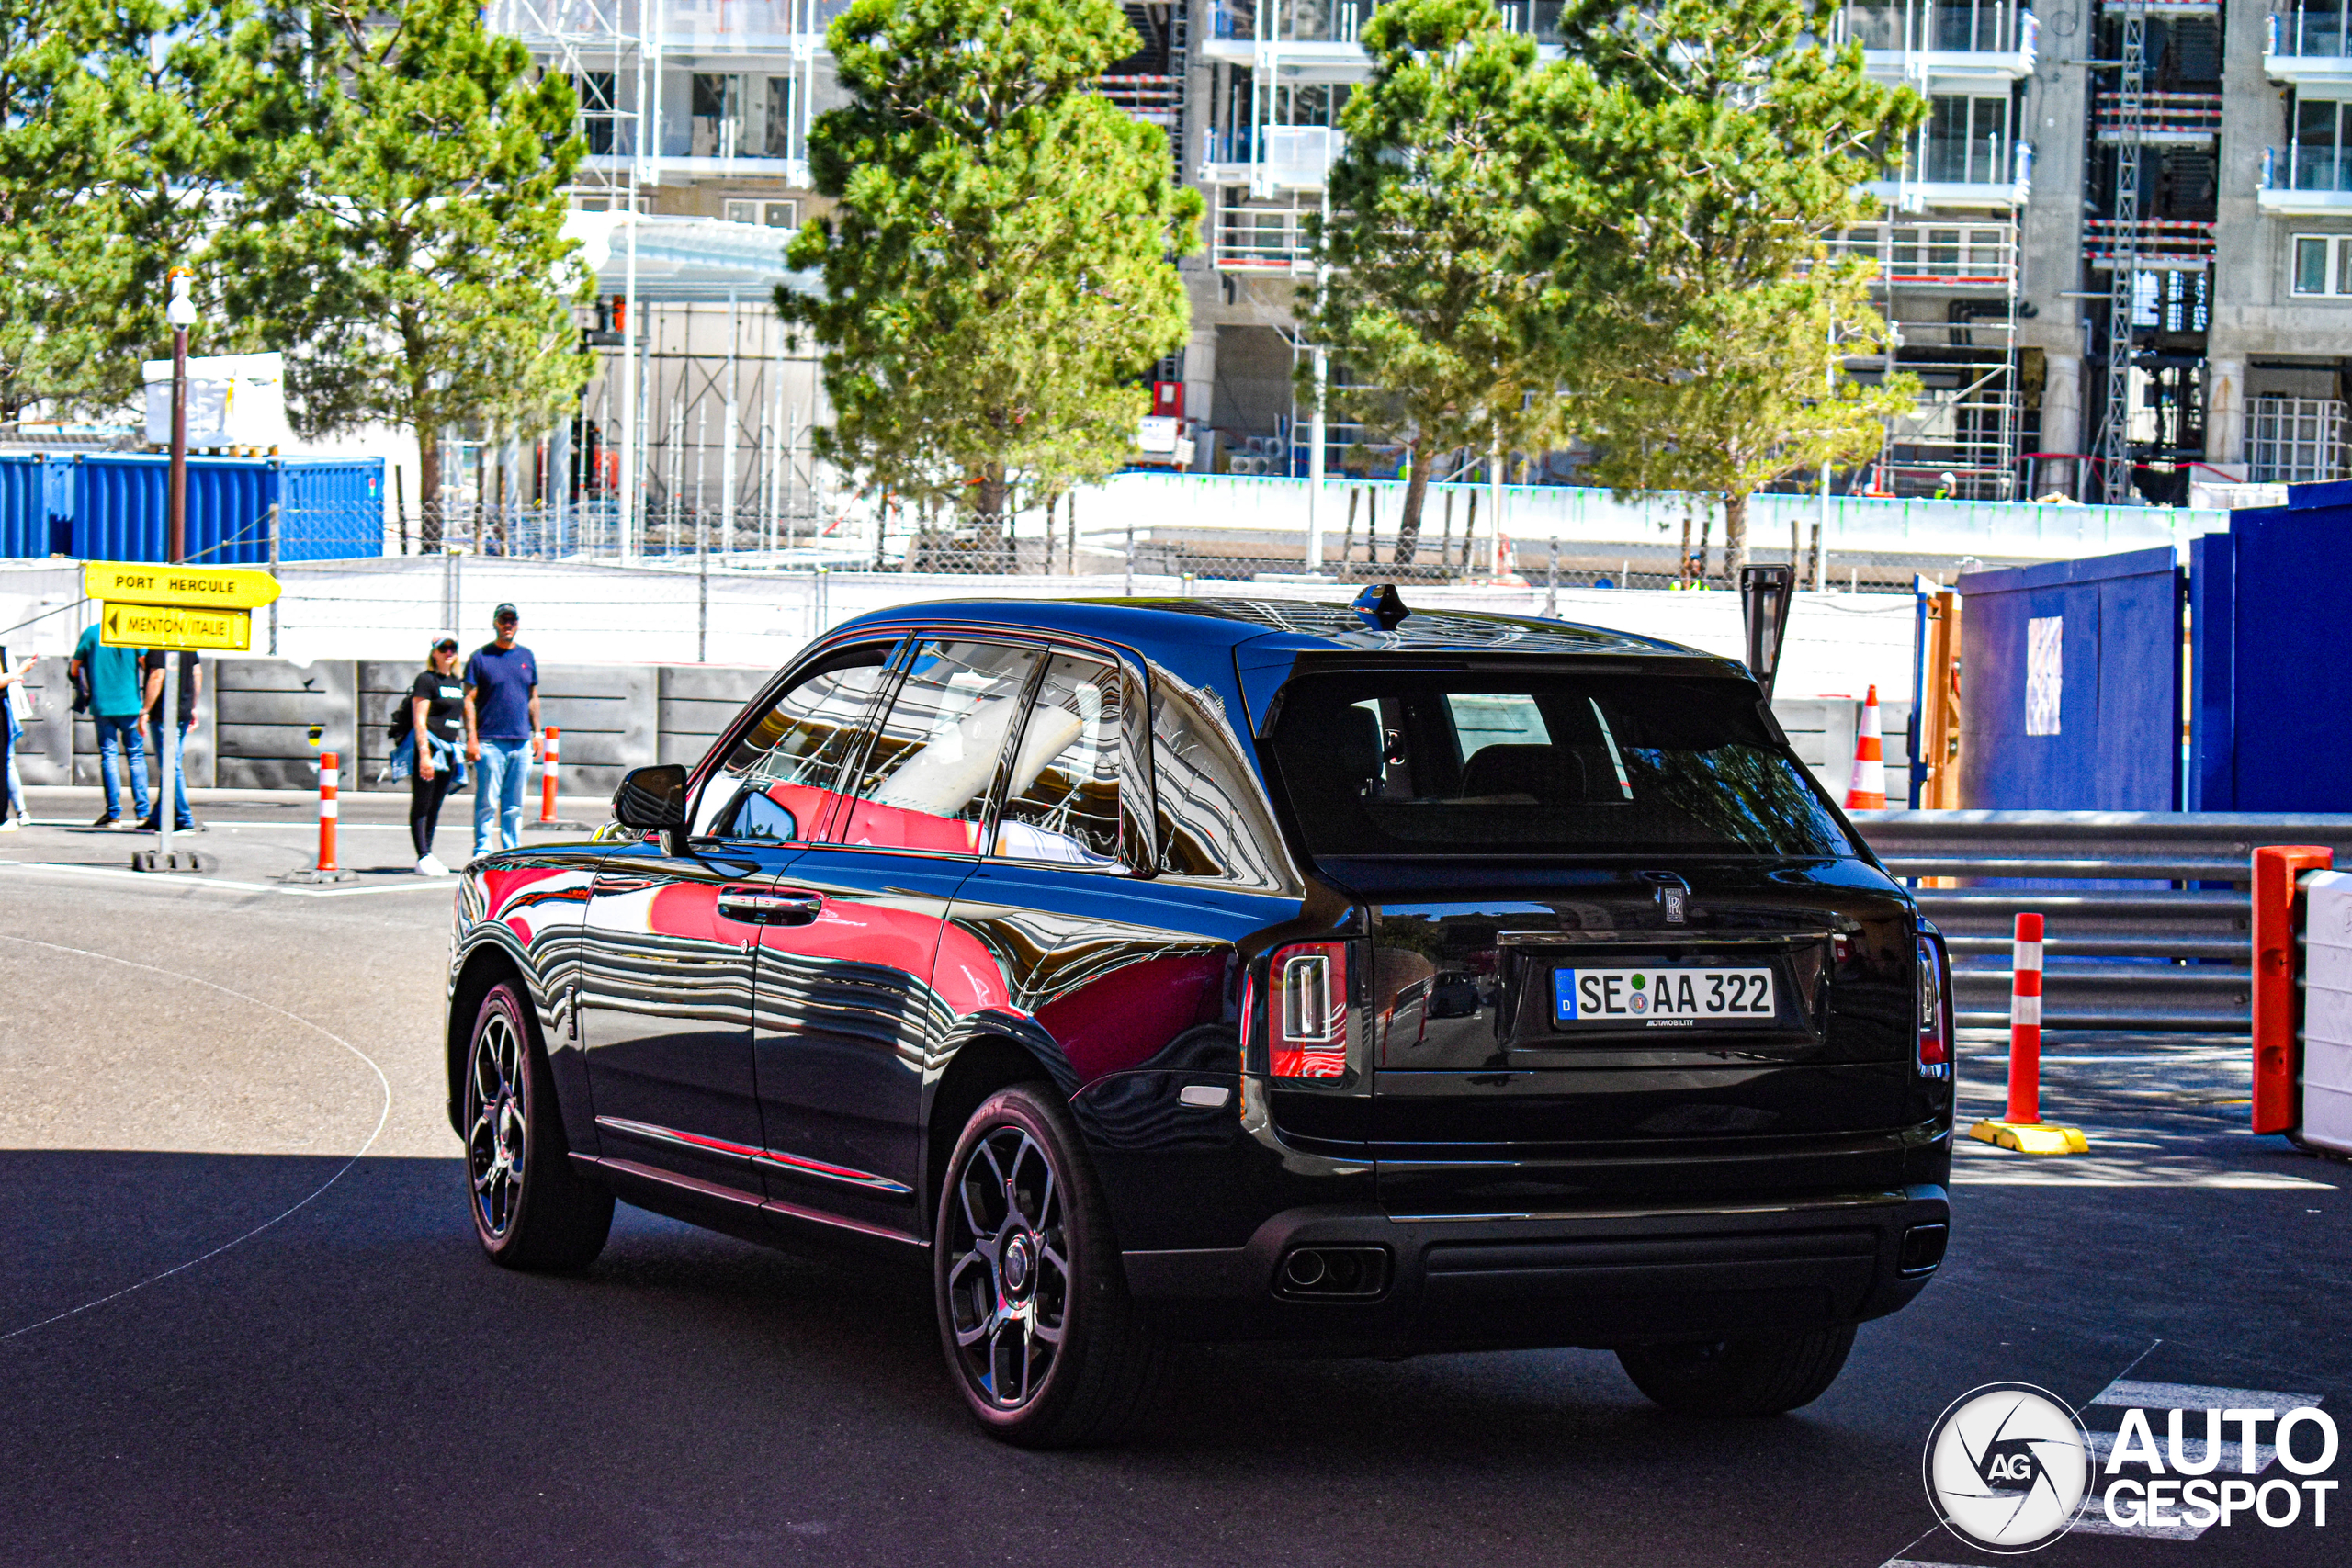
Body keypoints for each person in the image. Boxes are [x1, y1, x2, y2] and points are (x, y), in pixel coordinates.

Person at [463, 603, 540, 857]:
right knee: (487, 801)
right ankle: (482, 849)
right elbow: (469, 700)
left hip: (521, 742)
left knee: (515, 804)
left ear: (517, 623)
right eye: (503, 620)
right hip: (490, 743)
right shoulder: (480, 658)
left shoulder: (526, 657)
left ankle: (510, 850)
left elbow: (533, 697)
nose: (508, 625)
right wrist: (472, 739)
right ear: (495, 622)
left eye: (512, 620)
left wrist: (536, 733)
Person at [393, 636, 468, 874]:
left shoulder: (457, 682)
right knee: (423, 802)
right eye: (443, 648)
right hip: (430, 748)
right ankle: (423, 855)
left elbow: (456, 718)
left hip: (448, 750)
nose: (449, 652)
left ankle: (428, 853)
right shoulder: (426, 680)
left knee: (436, 803)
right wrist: (424, 753)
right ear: (434, 652)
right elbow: (420, 720)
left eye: (452, 648)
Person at [69, 619, 150, 829]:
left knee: (109, 755)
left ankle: (113, 814)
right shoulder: (133, 631)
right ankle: (143, 813)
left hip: (102, 705)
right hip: (131, 704)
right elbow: (145, 662)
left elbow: (74, 668)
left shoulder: (92, 633)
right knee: (136, 755)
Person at [138, 649, 202, 833]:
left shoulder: (160, 644)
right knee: (171, 764)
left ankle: (183, 817)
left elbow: (157, 675)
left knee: (170, 766)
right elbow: (197, 673)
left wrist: (146, 710)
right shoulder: (187, 644)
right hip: (182, 710)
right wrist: (192, 706)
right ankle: (158, 817)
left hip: (163, 713)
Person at [0, 650, 35, 831]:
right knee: (7, 761)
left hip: (7, 710)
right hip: (6, 709)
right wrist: (20, 671)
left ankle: (20, 811)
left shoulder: (4, 651)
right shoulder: (4, 651)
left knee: (7, 761)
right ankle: (19, 811)